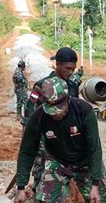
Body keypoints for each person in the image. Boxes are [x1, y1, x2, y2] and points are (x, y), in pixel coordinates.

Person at [15, 77, 106, 203]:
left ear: (67, 99)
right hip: (58, 162)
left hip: (85, 162)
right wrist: (21, 187)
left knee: (102, 201)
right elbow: (26, 152)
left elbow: (95, 149)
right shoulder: (39, 117)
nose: (56, 114)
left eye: (59, 109)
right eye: (52, 110)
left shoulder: (84, 111)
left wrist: (95, 183)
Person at [22, 47, 84, 193]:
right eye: (67, 68)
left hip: (66, 138)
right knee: (41, 172)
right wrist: (27, 142)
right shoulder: (42, 85)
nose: (70, 72)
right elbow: (29, 116)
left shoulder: (72, 86)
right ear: (58, 65)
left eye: (73, 69)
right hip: (45, 139)